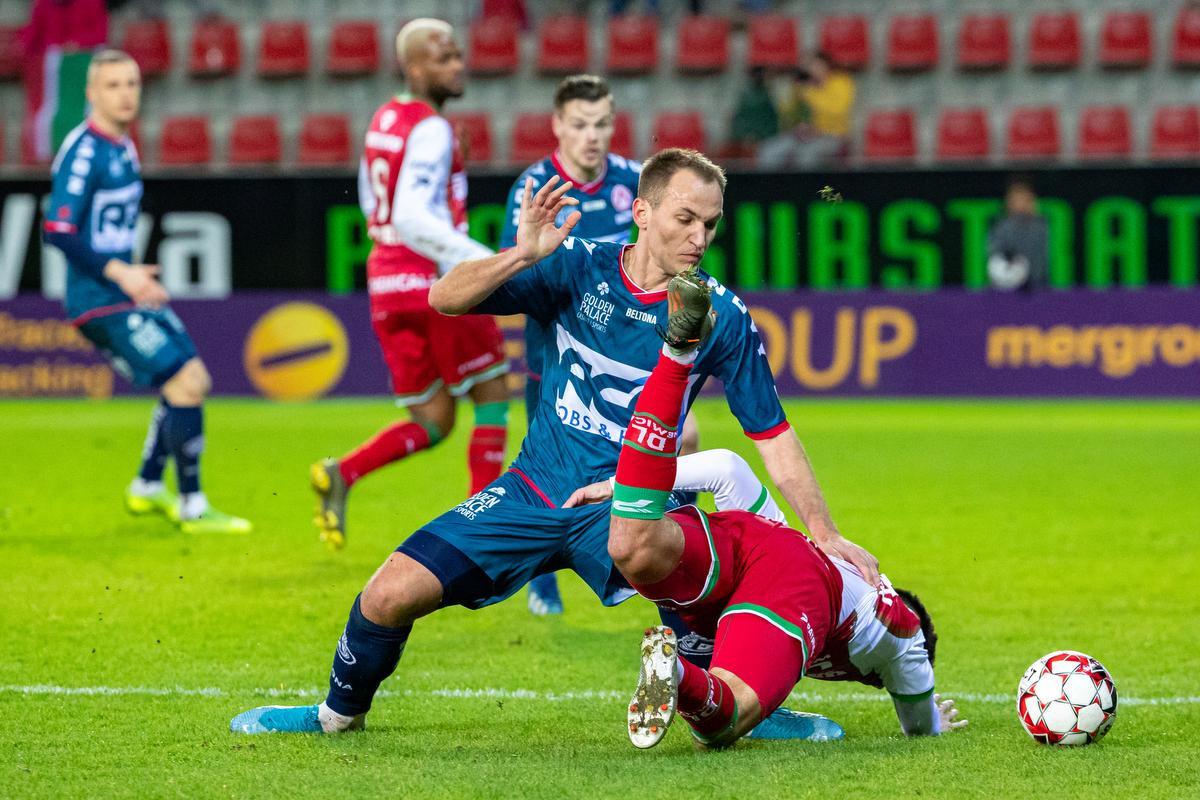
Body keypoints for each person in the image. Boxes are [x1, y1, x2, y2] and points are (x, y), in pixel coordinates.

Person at [229, 147, 878, 736]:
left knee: (664, 556)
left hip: (631, 504)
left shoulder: (719, 315)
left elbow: (774, 433)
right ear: (643, 212)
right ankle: (336, 716)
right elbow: (443, 298)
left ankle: (747, 703)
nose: (699, 237)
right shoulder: (576, 268)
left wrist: (822, 532)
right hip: (533, 490)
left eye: (711, 224)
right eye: (685, 218)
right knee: (387, 595)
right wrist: (522, 254)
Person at [572, 270, 964, 748]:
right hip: (798, 585)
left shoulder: (796, 543)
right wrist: (933, 719)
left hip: (753, 544)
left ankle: (677, 353)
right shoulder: (902, 631)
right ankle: (676, 671)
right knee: (719, 725)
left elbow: (725, 468)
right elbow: (919, 724)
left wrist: (620, 485)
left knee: (632, 547)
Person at [499, 73, 700, 616]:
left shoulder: (637, 181)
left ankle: (682, 597)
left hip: (640, 359)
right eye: (581, 125)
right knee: (553, 471)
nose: (593, 136)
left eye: (603, 124)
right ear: (559, 126)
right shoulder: (535, 186)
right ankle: (542, 578)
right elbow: (516, 276)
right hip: (559, 358)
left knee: (677, 450)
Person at [310, 19, 510, 550]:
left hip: (385, 281)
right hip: (432, 281)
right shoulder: (431, 128)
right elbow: (415, 217)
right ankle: (480, 536)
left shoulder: (385, 118)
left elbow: (375, 202)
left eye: (459, 56)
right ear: (415, 67)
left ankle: (343, 472)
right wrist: (487, 262)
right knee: (493, 391)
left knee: (435, 417)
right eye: (445, 59)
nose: (458, 66)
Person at [42, 50, 250, 534]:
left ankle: (148, 486)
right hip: (98, 298)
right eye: (113, 85)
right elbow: (58, 230)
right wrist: (123, 273)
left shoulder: (124, 145)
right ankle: (193, 506)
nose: (125, 94)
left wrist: (134, 273)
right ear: (92, 93)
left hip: (122, 289)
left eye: (132, 83)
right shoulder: (84, 151)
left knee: (190, 378)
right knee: (186, 382)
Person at [21, 0, 108, 164]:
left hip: (82, 66)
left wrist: (77, 44)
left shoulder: (92, 3)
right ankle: (49, 157)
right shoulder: (43, 4)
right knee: (50, 112)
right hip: (53, 69)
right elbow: (33, 38)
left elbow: (100, 33)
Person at [758, 51, 855, 169]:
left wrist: (808, 93)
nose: (813, 69)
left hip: (832, 135)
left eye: (816, 65)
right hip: (803, 136)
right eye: (810, 66)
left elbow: (838, 110)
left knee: (806, 155)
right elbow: (788, 115)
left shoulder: (841, 82)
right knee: (768, 150)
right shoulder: (803, 85)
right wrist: (788, 91)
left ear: (826, 66)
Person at [987, 177, 1049, 292]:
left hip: (1039, 288)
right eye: (1016, 200)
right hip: (1005, 289)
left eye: (1024, 200)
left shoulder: (1041, 228)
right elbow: (994, 256)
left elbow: (1045, 260)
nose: (1020, 205)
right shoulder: (1002, 228)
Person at [723, 66, 779, 161]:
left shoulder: (768, 97)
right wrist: (747, 137)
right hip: (744, 139)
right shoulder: (745, 96)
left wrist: (760, 138)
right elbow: (738, 120)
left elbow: (772, 122)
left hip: (765, 140)